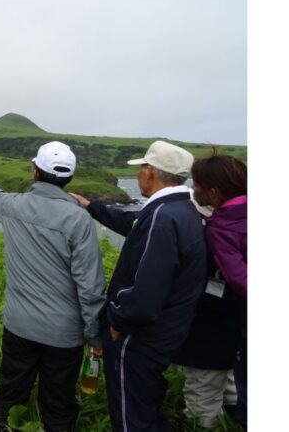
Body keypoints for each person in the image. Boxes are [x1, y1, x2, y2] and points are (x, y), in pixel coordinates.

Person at [69, 140, 208, 431]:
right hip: (169, 330)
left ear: (151, 172)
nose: (137, 175)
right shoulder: (182, 210)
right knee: (146, 402)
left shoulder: (162, 217)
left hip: (140, 337)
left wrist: (118, 321)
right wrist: (92, 206)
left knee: (130, 415)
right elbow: (133, 223)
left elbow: (146, 290)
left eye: (142, 168)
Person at [0, 141, 107, 432]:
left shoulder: (12, 206)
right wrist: (94, 335)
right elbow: (90, 285)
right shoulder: (79, 219)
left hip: (19, 325)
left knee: (10, 392)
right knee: (58, 401)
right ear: (69, 179)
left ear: (35, 172)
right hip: (64, 332)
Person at [173, 194, 240, 429]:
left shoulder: (210, 237)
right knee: (232, 386)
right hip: (233, 332)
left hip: (207, 334)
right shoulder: (238, 230)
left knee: (202, 395)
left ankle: (204, 425)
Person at [191, 154, 247, 429]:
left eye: (196, 184)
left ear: (213, 192)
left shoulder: (220, 229)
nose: (192, 190)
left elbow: (241, 279)